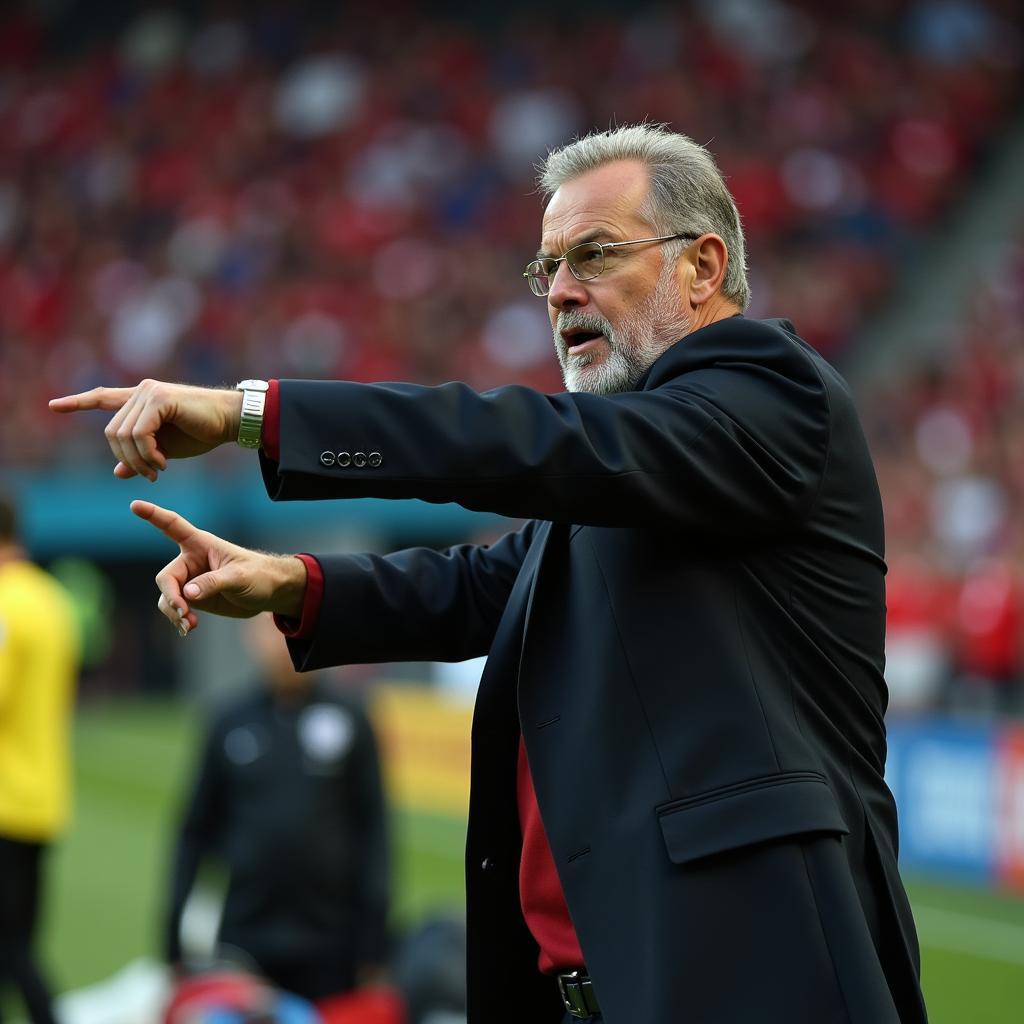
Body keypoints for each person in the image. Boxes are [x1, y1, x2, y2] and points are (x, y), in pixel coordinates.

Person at [51, 124, 928, 1024]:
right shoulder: (625, 461)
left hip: (750, 971)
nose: (560, 293)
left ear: (703, 268)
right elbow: (486, 587)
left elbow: (528, 440)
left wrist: (254, 414)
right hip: (596, 988)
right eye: (546, 268)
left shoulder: (771, 393)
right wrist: (290, 584)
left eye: (593, 254)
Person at [165, 614, 390, 1005]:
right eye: (273, 628)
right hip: (245, 940)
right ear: (250, 636)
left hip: (331, 943)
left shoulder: (352, 719)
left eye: (295, 626)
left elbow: (374, 833)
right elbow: (194, 833)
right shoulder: (228, 722)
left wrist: (374, 943)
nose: (284, 642)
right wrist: (172, 939)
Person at [0, 494, 80, 1024]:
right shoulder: (52, 599)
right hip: (41, 797)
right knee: (15, 944)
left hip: (4, 800)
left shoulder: (5, 602)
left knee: (11, 954)